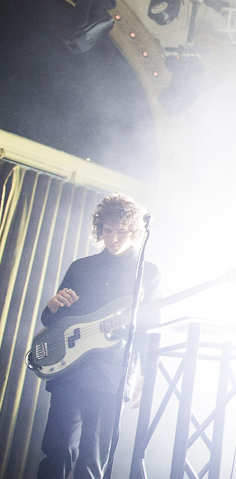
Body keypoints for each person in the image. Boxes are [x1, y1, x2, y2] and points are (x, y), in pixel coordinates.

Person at [36, 193, 161, 479]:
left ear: (135, 232)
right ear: (99, 229)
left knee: (93, 461)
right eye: (107, 231)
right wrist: (51, 306)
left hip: (112, 377)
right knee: (57, 451)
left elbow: (148, 329)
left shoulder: (149, 274)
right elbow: (53, 321)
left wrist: (146, 375)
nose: (113, 238)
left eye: (121, 232)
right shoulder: (81, 267)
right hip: (69, 372)